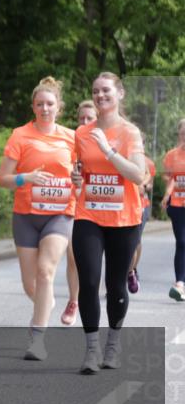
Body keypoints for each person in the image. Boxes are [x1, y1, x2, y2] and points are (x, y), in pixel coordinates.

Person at [71, 72, 147, 373]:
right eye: (96, 91)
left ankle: (112, 346)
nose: (100, 95)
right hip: (88, 214)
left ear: (119, 94)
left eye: (106, 91)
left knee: (115, 285)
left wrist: (108, 150)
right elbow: (81, 170)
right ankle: (91, 350)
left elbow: (138, 175)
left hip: (123, 219)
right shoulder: (81, 133)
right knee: (88, 282)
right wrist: (77, 177)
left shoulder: (130, 133)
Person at [0, 77, 76, 361]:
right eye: (40, 104)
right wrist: (25, 177)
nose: (45, 109)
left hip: (59, 213)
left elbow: (83, 172)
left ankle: (38, 338)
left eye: (50, 104)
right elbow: (3, 179)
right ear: (33, 107)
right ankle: (47, 302)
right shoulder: (20, 135)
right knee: (30, 284)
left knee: (45, 272)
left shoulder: (71, 137)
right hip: (26, 216)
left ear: (59, 107)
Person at [61, 100, 97, 325]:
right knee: (73, 257)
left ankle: (92, 295)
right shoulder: (72, 142)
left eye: (89, 118)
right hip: (76, 206)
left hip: (103, 209)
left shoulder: (108, 140)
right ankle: (74, 300)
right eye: (81, 118)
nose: (84, 123)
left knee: (94, 262)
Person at [160, 117, 185, 302]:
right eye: (183, 133)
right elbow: (170, 179)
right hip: (177, 205)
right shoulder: (171, 155)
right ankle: (180, 283)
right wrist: (167, 195)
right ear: (179, 134)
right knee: (182, 242)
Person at [127, 148, 156, 293]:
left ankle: (131, 270)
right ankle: (122, 275)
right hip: (123, 206)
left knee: (135, 241)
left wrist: (144, 186)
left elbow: (149, 182)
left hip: (141, 206)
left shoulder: (148, 163)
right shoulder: (121, 157)